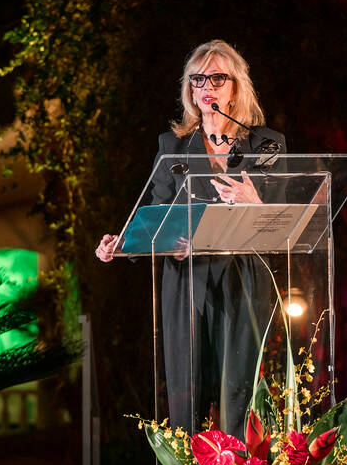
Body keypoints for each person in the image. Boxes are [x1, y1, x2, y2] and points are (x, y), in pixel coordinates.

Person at [96, 40, 286, 443]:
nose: (207, 87)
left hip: (243, 276)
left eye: (218, 78)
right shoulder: (173, 146)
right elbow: (156, 211)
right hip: (186, 278)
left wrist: (256, 202)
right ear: (189, 89)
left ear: (235, 87)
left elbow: (281, 222)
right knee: (188, 390)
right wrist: (123, 243)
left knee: (239, 389)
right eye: (198, 79)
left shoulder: (265, 144)